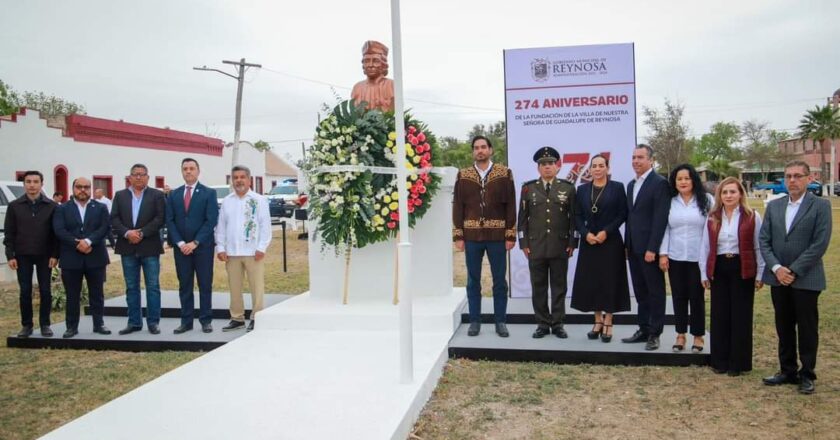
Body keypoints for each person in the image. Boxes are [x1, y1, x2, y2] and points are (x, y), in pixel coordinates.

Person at [760, 161, 832, 394]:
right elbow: (764, 240)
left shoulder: (820, 206)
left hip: (806, 278)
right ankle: (787, 370)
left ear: (809, 179)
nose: (792, 180)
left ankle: (807, 374)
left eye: (798, 176)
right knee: (784, 325)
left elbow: (819, 243)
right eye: (788, 176)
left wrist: (793, 270)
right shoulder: (774, 206)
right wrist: (777, 268)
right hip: (778, 277)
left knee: (807, 328)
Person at [699, 177, 764, 376]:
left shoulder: (752, 216)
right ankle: (720, 361)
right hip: (719, 268)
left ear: (740, 194)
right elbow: (705, 246)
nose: (728, 196)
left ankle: (738, 363)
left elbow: (758, 246)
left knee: (740, 316)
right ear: (720, 195)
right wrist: (704, 272)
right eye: (725, 192)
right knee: (720, 316)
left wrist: (760, 273)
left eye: (732, 192)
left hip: (742, 268)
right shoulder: (712, 217)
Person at [453, 135, 516, 337]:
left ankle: (500, 322)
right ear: (473, 152)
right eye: (476, 148)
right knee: (473, 280)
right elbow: (458, 206)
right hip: (471, 236)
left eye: (483, 147)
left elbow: (511, 206)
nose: (480, 150)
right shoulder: (463, 175)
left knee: (499, 280)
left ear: (491, 150)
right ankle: (475, 321)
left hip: (497, 236)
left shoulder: (504, 174)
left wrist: (510, 235)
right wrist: (458, 235)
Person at [517, 147, 576, 339]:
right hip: (536, 246)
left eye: (550, 163)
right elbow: (522, 220)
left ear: (557, 166)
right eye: (543, 164)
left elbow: (574, 218)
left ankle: (558, 323)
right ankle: (542, 324)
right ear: (538, 168)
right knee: (539, 286)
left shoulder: (568, 188)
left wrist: (573, 242)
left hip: (560, 246)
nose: (547, 167)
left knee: (559, 286)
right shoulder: (528, 188)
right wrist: (523, 243)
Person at [571, 154, 630, 342]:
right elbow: (577, 215)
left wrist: (606, 231)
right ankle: (597, 320)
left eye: (601, 165)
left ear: (607, 168)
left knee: (610, 281)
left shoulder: (617, 187)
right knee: (593, 281)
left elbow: (623, 213)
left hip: (610, 241)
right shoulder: (581, 190)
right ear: (590, 169)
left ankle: (609, 321)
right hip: (589, 242)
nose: (597, 169)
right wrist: (584, 233)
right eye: (594, 166)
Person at [659, 164, 713, 353]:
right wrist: (663, 253)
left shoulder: (707, 200)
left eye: (687, 178)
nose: (683, 182)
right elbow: (665, 228)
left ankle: (698, 336)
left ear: (693, 180)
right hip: (675, 257)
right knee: (678, 297)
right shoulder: (671, 201)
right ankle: (680, 334)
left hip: (698, 258)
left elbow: (712, 228)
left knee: (697, 297)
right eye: (679, 179)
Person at [622, 144, 670, 351]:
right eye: (633, 157)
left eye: (640, 157)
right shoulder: (631, 185)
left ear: (651, 160)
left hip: (650, 250)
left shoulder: (659, 184)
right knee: (640, 291)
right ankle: (643, 328)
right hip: (633, 248)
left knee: (655, 292)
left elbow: (660, 219)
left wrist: (653, 248)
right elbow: (631, 218)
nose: (636, 161)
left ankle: (655, 333)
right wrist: (627, 244)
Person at [52, 177, 112, 338]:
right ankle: (71, 327)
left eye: (86, 187)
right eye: (79, 187)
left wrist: (88, 241)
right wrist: (76, 243)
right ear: (73, 189)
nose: (83, 190)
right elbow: (59, 230)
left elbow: (105, 227)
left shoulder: (100, 207)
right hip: (71, 257)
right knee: (72, 295)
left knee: (97, 293)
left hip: (95, 256)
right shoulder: (62, 208)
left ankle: (99, 324)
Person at [111, 164, 166, 335]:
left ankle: (153, 322)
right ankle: (134, 322)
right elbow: (114, 218)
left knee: (153, 286)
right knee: (131, 287)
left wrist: (141, 233)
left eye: (142, 174)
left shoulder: (157, 195)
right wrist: (127, 233)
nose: (138, 177)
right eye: (135, 174)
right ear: (129, 177)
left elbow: (160, 219)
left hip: (149, 246)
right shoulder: (120, 196)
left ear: (148, 177)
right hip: (127, 247)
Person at [216, 166, 272, 332]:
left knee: (256, 287)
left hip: (253, 252)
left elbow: (265, 226)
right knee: (234, 287)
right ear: (232, 181)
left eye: (242, 177)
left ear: (249, 180)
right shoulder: (227, 201)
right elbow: (221, 227)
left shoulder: (259, 200)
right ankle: (237, 318)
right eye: (235, 177)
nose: (238, 180)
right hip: (232, 253)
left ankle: (257, 317)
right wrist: (220, 247)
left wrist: (262, 247)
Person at [166, 158, 219, 334]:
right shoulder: (174, 194)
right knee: (185, 285)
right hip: (182, 249)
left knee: (205, 284)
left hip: (202, 248)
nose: (188, 171)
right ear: (182, 172)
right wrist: (181, 243)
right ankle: (186, 321)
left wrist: (195, 242)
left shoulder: (209, 193)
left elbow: (211, 220)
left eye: (191, 168)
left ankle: (206, 320)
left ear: (198, 171)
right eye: (185, 169)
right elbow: (170, 221)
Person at [4, 171, 59, 338]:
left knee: (45, 290)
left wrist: (55, 255)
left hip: (45, 255)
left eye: (36, 181)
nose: (32, 185)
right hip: (22, 255)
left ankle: (45, 324)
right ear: (24, 184)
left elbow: (56, 234)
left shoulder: (52, 206)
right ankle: (26, 325)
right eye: (28, 182)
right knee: (25, 291)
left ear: (42, 184)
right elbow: (9, 233)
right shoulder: (14, 206)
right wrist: (10, 255)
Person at [350, 40, 395, 112]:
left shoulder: (391, 85)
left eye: (375, 61)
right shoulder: (357, 87)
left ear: (383, 64)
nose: (370, 65)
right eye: (367, 61)